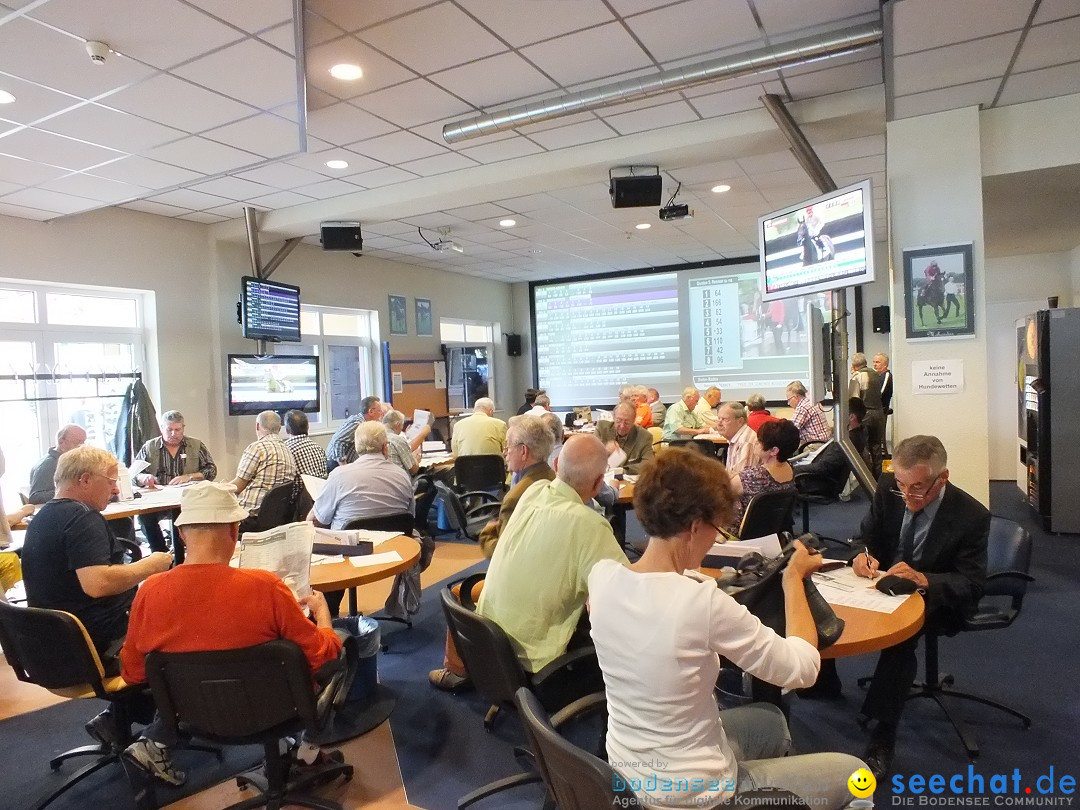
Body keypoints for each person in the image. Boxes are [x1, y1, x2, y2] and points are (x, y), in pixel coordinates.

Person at [588, 448, 865, 810]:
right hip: (692, 794)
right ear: (694, 527)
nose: (715, 541)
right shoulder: (700, 603)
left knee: (771, 722)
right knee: (858, 778)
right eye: (717, 530)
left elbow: (661, 596)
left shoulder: (603, 577)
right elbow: (804, 668)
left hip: (629, 771)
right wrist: (793, 578)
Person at [120, 482, 344, 786]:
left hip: (194, 719)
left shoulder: (149, 593)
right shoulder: (266, 587)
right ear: (234, 531)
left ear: (183, 534)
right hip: (275, 712)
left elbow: (133, 674)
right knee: (345, 644)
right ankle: (307, 750)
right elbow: (323, 656)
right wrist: (322, 614)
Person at [852, 435, 989, 778]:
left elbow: (971, 585)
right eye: (902, 484)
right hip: (882, 583)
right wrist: (863, 556)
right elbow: (866, 537)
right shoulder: (889, 487)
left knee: (899, 639)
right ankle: (820, 685)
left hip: (937, 597)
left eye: (918, 488)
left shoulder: (971, 515)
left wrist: (924, 579)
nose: (908, 495)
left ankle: (883, 737)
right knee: (821, 599)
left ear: (942, 478)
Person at [476, 434, 628, 673]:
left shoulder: (532, 492)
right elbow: (628, 594)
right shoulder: (590, 525)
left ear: (556, 465)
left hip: (488, 647)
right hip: (536, 667)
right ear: (599, 483)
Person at [428, 414, 556, 693]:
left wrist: (487, 532)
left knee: (456, 593)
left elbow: (502, 555)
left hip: (520, 581)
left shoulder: (518, 494)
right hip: (546, 574)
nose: (504, 453)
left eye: (508, 447)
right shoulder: (549, 478)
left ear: (523, 451)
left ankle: (457, 670)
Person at [20, 446, 173, 660]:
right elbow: (98, 584)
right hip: (97, 646)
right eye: (111, 482)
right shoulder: (83, 518)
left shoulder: (42, 517)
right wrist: (151, 565)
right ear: (85, 480)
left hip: (54, 645)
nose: (116, 490)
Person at [133, 410, 217, 552]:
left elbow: (211, 470)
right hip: (157, 500)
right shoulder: (149, 447)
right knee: (145, 518)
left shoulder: (196, 446)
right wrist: (143, 478)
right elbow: (134, 474)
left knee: (180, 515)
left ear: (183, 428)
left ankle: (181, 555)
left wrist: (189, 476)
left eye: (177, 430)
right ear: (162, 428)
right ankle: (160, 553)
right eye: (169, 429)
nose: (173, 434)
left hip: (186, 499)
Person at [310, 421, 413, 530]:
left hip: (349, 546)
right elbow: (410, 515)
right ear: (384, 447)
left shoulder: (339, 476)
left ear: (357, 446)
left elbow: (316, 520)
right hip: (395, 545)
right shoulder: (402, 476)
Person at [727, 419, 800, 532]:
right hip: (773, 532)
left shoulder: (752, 476)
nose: (755, 443)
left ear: (774, 450)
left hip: (739, 533)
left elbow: (722, 492)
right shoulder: (790, 469)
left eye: (760, 441)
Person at [793, 398, 870, 500]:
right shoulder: (855, 433)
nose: (834, 419)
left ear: (851, 417)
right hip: (818, 470)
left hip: (818, 482)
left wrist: (794, 470)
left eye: (837, 414)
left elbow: (822, 468)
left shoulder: (846, 442)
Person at [226, 410, 296, 516]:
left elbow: (237, 486)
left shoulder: (257, 448)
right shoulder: (288, 450)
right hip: (274, 516)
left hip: (249, 515)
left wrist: (218, 488)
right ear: (279, 428)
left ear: (257, 426)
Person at [28, 423, 87, 503]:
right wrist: (70, 492)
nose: (82, 447)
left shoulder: (69, 462)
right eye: (78, 443)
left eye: (84, 442)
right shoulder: (48, 464)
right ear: (61, 442)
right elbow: (36, 497)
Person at [848, 353, 885, 477]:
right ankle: (878, 478)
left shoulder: (857, 376)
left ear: (854, 365)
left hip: (865, 415)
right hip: (879, 413)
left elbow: (853, 399)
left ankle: (866, 479)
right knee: (876, 448)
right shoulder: (876, 374)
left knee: (863, 448)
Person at [596, 402, 654, 474]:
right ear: (613, 417)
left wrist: (622, 470)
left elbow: (648, 464)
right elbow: (588, 456)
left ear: (633, 421)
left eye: (627, 422)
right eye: (618, 421)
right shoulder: (602, 428)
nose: (622, 426)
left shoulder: (644, 436)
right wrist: (604, 450)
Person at [325, 395, 382, 468]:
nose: (381, 414)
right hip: (335, 464)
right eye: (379, 411)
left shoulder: (363, 423)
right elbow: (338, 442)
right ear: (371, 411)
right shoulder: (357, 424)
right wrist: (344, 467)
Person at [716, 401, 761, 475]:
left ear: (740, 421)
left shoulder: (746, 442)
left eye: (725, 420)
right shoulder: (736, 438)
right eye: (719, 419)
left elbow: (742, 481)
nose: (719, 424)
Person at [283, 409, 328, 480]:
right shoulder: (319, 448)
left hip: (301, 490)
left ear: (287, 430)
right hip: (321, 489)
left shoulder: (286, 450)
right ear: (308, 427)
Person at [786, 380, 831, 446]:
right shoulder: (812, 401)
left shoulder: (803, 407)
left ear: (796, 397)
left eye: (789, 400)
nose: (788, 403)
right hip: (824, 443)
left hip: (815, 445)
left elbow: (791, 430)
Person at [382, 409, 423, 476]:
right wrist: (415, 458)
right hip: (400, 481)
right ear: (398, 424)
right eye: (402, 425)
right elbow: (414, 470)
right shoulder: (398, 440)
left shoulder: (376, 438)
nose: (402, 428)